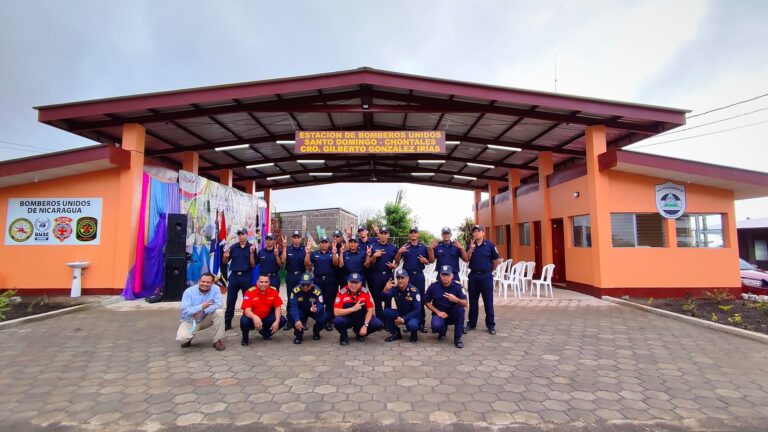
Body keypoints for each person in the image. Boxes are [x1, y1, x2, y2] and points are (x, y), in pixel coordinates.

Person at [466, 224, 501, 335]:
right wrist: (470, 250)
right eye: (475, 231)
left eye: (479, 231)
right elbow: (466, 259)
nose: (477, 233)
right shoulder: (470, 245)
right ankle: (471, 324)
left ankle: (490, 325)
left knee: (488, 301)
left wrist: (490, 270)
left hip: (486, 276)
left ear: (483, 233)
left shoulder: (490, 245)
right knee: (473, 301)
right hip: (473, 276)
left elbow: (496, 260)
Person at [176, 272, 225, 351]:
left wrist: (203, 311)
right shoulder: (189, 291)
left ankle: (217, 340)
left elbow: (218, 304)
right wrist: (201, 307)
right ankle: (189, 338)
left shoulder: (215, 289)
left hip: (206, 318)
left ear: (212, 283)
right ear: (199, 281)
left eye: (208, 282)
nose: (205, 284)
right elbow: (185, 310)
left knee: (219, 312)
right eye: (203, 281)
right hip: (191, 320)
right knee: (181, 339)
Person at [333, 273, 384, 345]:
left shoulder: (365, 292)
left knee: (378, 324)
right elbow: (336, 312)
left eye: (356, 282)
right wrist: (353, 309)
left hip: (361, 319)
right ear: (348, 282)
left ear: (360, 283)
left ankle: (360, 334)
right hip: (348, 319)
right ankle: (344, 337)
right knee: (337, 321)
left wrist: (365, 325)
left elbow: (370, 310)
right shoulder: (342, 292)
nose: (353, 285)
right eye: (351, 282)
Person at [394, 226, 429, 333]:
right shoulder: (405, 246)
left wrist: (425, 261)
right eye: (411, 232)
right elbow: (397, 262)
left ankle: (421, 322)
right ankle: (408, 322)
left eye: (415, 232)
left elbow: (428, 261)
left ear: (418, 234)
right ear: (409, 234)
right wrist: (399, 252)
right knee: (407, 299)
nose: (413, 234)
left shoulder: (423, 247)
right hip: (407, 277)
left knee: (420, 298)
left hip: (418, 276)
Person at [424, 265, 468, 348]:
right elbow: (426, 302)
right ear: (440, 275)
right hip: (440, 313)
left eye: (447, 275)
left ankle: (457, 338)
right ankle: (442, 331)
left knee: (460, 310)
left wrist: (456, 300)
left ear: (452, 276)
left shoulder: (458, 287)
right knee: (436, 326)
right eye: (443, 275)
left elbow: (465, 303)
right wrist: (438, 312)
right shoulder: (434, 286)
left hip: (453, 313)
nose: (445, 277)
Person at [221, 228, 256, 330]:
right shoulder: (233, 247)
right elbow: (224, 261)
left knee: (248, 301)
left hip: (246, 277)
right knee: (230, 301)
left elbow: (253, 264)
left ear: (246, 235)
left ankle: (249, 322)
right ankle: (227, 323)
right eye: (239, 234)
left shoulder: (251, 247)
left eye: (243, 234)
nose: (241, 236)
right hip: (234, 277)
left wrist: (252, 253)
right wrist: (225, 256)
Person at [240, 274, 287, 346]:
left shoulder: (273, 291)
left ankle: (265, 334)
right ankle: (245, 338)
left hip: (266, 317)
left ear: (269, 282)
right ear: (257, 282)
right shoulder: (250, 292)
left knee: (282, 319)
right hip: (252, 319)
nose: (263, 284)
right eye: (261, 282)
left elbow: (278, 307)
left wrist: (277, 321)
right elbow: (247, 311)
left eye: (266, 282)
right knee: (244, 321)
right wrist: (255, 317)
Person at [305, 235, 338, 330]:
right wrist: (307, 253)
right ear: (320, 244)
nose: (324, 244)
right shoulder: (314, 254)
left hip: (330, 281)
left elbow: (335, 263)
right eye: (322, 242)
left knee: (329, 302)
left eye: (326, 242)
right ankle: (320, 320)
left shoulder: (332, 253)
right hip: (318, 281)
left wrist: (335, 254)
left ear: (329, 244)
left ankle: (328, 322)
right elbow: (307, 264)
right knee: (318, 300)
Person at [365, 226, 398, 317]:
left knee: (388, 297)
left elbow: (397, 262)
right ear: (378, 235)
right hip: (376, 276)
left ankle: (387, 320)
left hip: (388, 275)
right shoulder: (373, 247)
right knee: (377, 299)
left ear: (388, 235)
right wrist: (374, 256)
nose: (383, 235)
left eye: (385, 233)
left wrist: (394, 265)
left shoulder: (393, 247)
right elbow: (367, 264)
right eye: (381, 233)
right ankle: (380, 320)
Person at [382, 269, 421, 342]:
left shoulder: (414, 290)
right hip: (401, 313)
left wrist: (403, 319)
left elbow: (417, 310)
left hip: (412, 315)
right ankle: (396, 333)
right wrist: (385, 290)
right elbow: (385, 298)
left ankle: (414, 334)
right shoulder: (395, 289)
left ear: (407, 279)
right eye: (398, 278)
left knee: (412, 325)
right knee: (386, 312)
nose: (400, 280)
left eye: (402, 278)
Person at [287, 272, 328, 344]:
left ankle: (316, 331)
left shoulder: (317, 291)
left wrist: (316, 309)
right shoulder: (295, 291)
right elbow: (293, 306)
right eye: (303, 285)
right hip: (301, 310)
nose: (305, 287)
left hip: (313, 310)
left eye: (308, 285)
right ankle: (298, 335)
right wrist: (296, 320)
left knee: (324, 317)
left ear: (312, 284)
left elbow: (320, 303)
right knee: (292, 316)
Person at [282, 230, 308, 299]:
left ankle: (300, 309)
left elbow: (308, 264)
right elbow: (283, 260)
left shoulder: (305, 249)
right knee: (290, 295)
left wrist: (308, 253)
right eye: (294, 237)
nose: (296, 239)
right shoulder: (287, 249)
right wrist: (284, 248)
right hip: (291, 276)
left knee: (301, 296)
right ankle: (290, 309)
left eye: (298, 237)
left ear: (300, 239)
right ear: (292, 239)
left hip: (301, 275)